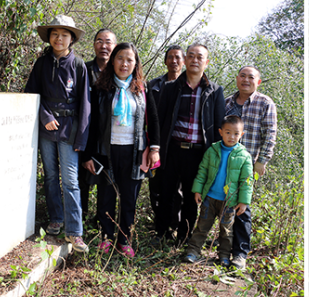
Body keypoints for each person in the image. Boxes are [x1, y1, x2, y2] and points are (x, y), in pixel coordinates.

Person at [82, 42, 160, 257]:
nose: (124, 64)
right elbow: (92, 122)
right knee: (106, 196)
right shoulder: (101, 88)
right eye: (120, 58)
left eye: (129, 60)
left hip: (134, 152)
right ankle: (106, 237)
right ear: (112, 61)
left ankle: (125, 240)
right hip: (107, 151)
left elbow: (152, 119)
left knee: (129, 198)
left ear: (135, 64)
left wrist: (155, 148)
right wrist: (88, 154)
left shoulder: (142, 89)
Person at [24, 15, 90, 253]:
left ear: (71, 39)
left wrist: (81, 137)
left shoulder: (78, 65)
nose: (59, 38)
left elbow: (85, 103)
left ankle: (75, 232)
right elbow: (30, 93)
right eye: (55, 34)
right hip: (46, 128)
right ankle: (56, 219)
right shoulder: (41, 64)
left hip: (70, 129)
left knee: (70, 181)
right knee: (51, 176)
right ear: (49, 37)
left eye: (64, 34)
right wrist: (45, 116)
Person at [155, 43, 226, 246]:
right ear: (185, 60)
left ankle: (183, 238)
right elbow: (159, 121)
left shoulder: (214, 91)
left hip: (198, 154)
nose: (195, 60)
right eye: (191, 56)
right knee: (165, 193)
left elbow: (219, 126)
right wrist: (156, 148)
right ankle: (160, 233)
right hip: (172, 150)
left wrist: (216, 158)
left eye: (200, 57)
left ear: (207, 62)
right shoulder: (170, 88)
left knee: (191, 196)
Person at [224, 65, 277, 269]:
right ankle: (223, 250)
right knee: (224, 205)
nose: (246, 80)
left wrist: (262, 160)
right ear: (237, 78)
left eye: (251, 77)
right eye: (242, 76)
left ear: (258, 82)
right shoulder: (228, 102)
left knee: (243, 207)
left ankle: (240, 254)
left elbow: (270, 134)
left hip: (248, 165)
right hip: (226, 164)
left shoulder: (265, 103)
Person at [182, 115, 253, 266]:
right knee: (202, 226)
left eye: (236, 133)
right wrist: (198, 190)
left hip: (229, 202)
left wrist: (243, 201)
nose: (231, 137)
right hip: (210, 198)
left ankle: (224, 256)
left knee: (226, 231)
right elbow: (202, 171)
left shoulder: (244, 156)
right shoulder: (212, 150)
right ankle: (193, 251)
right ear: (221, 132)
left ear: (242, 134)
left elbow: (246, 181)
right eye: (228, 132)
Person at [147, 45, 185, 240]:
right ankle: (159, 224)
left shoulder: (188, 87)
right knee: (155, 185)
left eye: (178, 57)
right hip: (156, 144)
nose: (174, 61)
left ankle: (174, 225)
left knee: (176, 190)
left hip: (177, 146)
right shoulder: (154, 85)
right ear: (165, 61)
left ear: (183, 61)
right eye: (170, 57)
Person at [80, 29, 117, 221]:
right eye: (99, 41)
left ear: (115, 46)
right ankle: (80, 217)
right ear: (93, 44)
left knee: (107, 181)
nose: (104, 46)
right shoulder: (83, 70)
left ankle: (102, 219)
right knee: (81, 180)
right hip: (85, 134)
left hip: (110, 137)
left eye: (108, 42)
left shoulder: (120, 73)